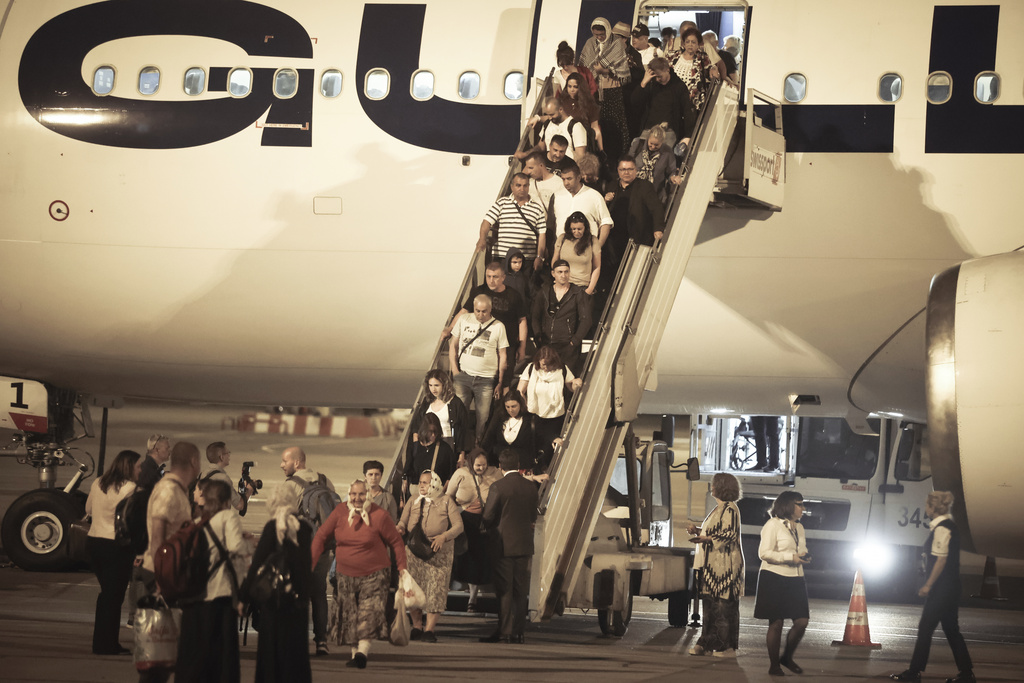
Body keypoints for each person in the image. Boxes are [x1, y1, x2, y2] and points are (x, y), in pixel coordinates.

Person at [311, 480, 408, 669]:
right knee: (350, 616)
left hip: (375, 574)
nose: (357, 499)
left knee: (368, 613)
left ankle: (362, 652)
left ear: (368, 495)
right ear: (349, 494)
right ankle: (355, 655)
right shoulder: (339, 512)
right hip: (345, 574)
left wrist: (402, 569)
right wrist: (310, 565)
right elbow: (321, 536)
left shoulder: (380, 515)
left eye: (361, 495)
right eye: (354, 495)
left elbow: (396, 542)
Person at [890, 492, 974, 683]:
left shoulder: (942, 529)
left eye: (927, 506)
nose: (925, 509)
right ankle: (967, 674)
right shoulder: (947, 526)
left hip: (942, 588)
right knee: (952, 629)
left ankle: (913, 673)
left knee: (925, 627)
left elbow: (941, 560)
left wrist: (928, 585)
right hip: (951, 587)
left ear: (932, 508)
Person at [175, 479, 250, 683]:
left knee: (200, 650)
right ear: (226, 500)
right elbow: (236, 550)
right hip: (220, 591)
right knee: (223, 652)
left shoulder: (200, 520)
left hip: (198, 592)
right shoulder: (228, 517)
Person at [138, 441, 201, 683]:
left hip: (169, 576)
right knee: (157, 660)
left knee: (166, 658)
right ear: (194, 462)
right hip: (163, 579)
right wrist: (161, 583)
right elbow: (157, 536)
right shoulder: (169, 491)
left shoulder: (177, 489)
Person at [265, 446, 336, 656]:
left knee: (298, 593)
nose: (281, 465)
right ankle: (322, 641)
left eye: (284, 461)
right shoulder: (324, 480)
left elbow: (281, 519)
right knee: (319, 593)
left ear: (297, 463)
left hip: (301, 549)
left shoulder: (291, 485)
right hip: (323, 548)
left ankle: (297, 641)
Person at [241, 505, 313, 683]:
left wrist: (244, 597)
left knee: (271, 651)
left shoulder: (272, 528)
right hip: (298, 601)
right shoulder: (304, 528)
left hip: (274, 600)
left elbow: (257, 564)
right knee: (296, 655)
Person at [396, 470, 464, 642]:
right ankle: (417, 626)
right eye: (420, 482)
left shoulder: (446, 500)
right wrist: (400, 528)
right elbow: (403, 521)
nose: (421, 485)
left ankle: (429, 630)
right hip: (414, 553)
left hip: (438, 555)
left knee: (436, 591)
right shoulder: (413, 500)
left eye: (425, 482)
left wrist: (443, 537)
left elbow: (458, 526)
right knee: (414, 590)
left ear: (435, 482)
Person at [85, 449, 141, 655]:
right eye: (138, 466)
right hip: (115, 545)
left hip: (93, 542)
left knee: (107, 593)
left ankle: (103, 641)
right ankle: (106, 644)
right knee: (114, 595)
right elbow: (132, 518)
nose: (141, 470)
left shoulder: (98, 482)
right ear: (129, 467)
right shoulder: (131, 488)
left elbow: (88, 509)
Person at [480, 448, 539, 644]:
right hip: (524, 544)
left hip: (503, 545)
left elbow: (488, 516)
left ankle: (504, 630)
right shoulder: (530, 487)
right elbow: (533, 516)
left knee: (504, 589)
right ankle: (518, 632)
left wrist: (486, 528)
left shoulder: (498, 486)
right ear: (518, 465)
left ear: (500, 466)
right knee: (520, 590)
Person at [686, 472, 744, 657]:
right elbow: (716, 531)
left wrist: (706, 537)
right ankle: (706, 643)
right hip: (712, 567)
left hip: (725, 567)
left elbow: (730, 534)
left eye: (714, 484)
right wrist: (698, 530)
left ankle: (726, 647)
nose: (711, 487)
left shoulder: (730, 509)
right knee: (710, 607)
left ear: (721, 487)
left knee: (723, 608)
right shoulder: (719, 509)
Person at [754, 490, 810, 677]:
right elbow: (764, 553)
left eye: (803, 504)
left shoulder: (799, 527)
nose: (803, 508)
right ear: (787, 505)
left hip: (796, 577)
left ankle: (786, 657)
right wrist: (789, 557)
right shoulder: (772, 525)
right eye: (799, 504)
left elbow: (800, 549)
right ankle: (774, 665)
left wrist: (803, 556)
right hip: (774, 576)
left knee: (802, 621)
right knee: (776, 623)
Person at [446, 263, 528, 374]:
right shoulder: (479, 291)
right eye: (488, 276)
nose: (491, 280)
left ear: (503, 278)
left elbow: (522, 321)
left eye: (495, 277)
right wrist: (450, 328)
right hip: (482, 344)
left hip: (507, 345)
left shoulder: (514, 295)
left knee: (504, 383)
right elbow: (464, 311)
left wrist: (522, 347)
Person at [447, 450, 502, 611]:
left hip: (486, 521)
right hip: (466, 519)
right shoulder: (461, 473)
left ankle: (474, 597)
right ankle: (467, 593)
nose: (481, 468)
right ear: (471, 463)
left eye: (484, 465)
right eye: (478, 465)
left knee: (482, 558)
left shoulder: (494, 473)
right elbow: (448, 495)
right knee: (467, 557)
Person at [450, 293, 509, 442]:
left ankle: (478, 444)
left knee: (482, 417)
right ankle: (459, 445)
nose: (480, 314)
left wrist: (501, 381)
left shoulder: (498, 326)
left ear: (490, 310)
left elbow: (503, 355)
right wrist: (455, 371)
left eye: (484, 311)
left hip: (486, 378)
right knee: (459, 414)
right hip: (464, 374)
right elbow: (453, 346)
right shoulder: (464, 319)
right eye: (477, 310)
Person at [517, 346, 581, 471]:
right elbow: (520, 391)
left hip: (556, 417)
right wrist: (526, 406)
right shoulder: (531, 369)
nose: (545, 367)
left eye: (548, 365)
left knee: (550, 450)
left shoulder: (562, 369)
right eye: (543, 364)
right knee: (537, 448)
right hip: (536, 415)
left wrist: (576, 383)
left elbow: (571, 387)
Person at [579, 17, 632, 165]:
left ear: (607, 31)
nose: (599, 37)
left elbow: (623, 71)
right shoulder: (590, 43)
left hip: (612, 91)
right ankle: (600, 156)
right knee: (599, 124)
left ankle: (617, 157)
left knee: (615, 125)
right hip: (595, 92)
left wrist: (605, 70)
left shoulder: (616, 43)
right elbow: (583, 66)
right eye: (596, 34)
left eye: (601, 34)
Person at [532, 261, 592, 376]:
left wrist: (574, 341)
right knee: (546, 380)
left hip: (568, 347)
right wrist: (538, 335)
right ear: (553, 273)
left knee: (567, 383)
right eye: (560, 272)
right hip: (547, 345)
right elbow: (535, 317)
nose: (563, 275)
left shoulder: (577, 293)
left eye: (566, 272)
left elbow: (586, 320)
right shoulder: (544, 292)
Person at [476, 173, 547, 268]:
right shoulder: (502, 203)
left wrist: (539, 257)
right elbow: (487, 221)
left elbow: (542, 235)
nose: (522, 189)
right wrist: (482, 238)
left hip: (526, 259)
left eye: (525, 185)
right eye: (518, 185)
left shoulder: (537, 208)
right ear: (512, 186)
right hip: (503, 257)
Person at [409, 369, 474, 468]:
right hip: (427, 443)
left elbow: (463, 431)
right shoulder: (427, 402)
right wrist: (416, 448)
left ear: (445, 385)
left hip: (448, 442)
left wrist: (461, 455)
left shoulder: (455, 403)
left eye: (436, 385)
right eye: (430, 385)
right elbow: (416, 426)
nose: (433, 389)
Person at [631, 57, 695, 148]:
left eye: (660, 76)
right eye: (655, 76)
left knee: (662, 155)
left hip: (668, 130)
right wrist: (643, 83)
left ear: (667, 70)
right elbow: (634, 102)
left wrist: (688, 136)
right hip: (649, 129)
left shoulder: (678, 86)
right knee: (638, 154)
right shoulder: (651, 83)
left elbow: (687, 110)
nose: (657, 79)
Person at [551, 161, 614, 250]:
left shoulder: (594, 196)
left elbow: (606, 222)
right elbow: (552, 224)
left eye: (569, 179)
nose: (566, 183)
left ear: (578, 177)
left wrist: (597, 247)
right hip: (562, 249)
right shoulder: (557, 196)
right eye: (563, 179)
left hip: (586, 250)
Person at [604, 157, 665, 247]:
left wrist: (658, 229)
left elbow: (657, 208)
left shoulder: (645, 186)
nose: (626, 172)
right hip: (614, 239)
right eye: (623, 169)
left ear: (636, 169)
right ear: (618, 170)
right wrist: (605, 201)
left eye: (630, 169)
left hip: (637, 237)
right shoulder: (611, 186)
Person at [481, 390, 537, 472]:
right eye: (507, 407)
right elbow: (489, 436)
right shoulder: (499, 417)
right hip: (500, 465)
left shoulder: (529, 419)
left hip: (522, 466)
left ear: (520, 405)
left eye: (514, 406)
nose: (511, 410)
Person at [403, 413, 457, 496]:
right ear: (424, 430)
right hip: (415, 491)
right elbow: (407, 470)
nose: (433, 435)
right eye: (430, 432)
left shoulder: (444, 448)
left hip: (436, 493)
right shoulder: (415, 445)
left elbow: (451, 475)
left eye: (435, 431)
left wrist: (442, 492)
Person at [520, 98, 589, 161]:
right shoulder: (547, 124)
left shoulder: (576, 127)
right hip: (549, 168)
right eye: (548, 115)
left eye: (552, 115)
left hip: (567, 169)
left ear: (561, 110)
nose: (549, 118)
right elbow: (541, 147)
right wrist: (526, 154)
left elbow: (580, 157)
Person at [552, 212, 601, 296]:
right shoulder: (562, 238)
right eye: (573, 229)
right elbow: (555, 262)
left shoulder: (592, 241)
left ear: (585, 228)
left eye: (579, 229)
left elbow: (597, 267)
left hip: (582, 287)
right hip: (564, 285)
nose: (576, 232)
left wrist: (589, 289)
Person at [629, 125, 678, 204]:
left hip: (653, 194)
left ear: (662, 142)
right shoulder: (638, 144)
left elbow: (672, 171)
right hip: (634, 190)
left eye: (656, 145)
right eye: (651, 143)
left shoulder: (667, 152)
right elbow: (627, 163)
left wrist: (673, 178)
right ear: (648, 138)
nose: (652, 147)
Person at [672, 26, 716, 113]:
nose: (690, 44)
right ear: (683, 44)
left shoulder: (703, 57)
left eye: (693, 42)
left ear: (698, 44)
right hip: (673, 101)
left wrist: (714, 68)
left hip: (693, 104)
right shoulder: (673, 56)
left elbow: (711, 69)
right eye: (687, 42)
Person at [200, 441, 253, 512]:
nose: (229, 455)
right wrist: (250, 489)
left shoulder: (202, 474)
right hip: (218, 520)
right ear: (221, 457)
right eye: (227, 453)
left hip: (203, 519)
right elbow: (240, 505)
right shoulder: (223, 479)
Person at [558, 72, 603, 154]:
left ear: (580, 87)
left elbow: (595, 128)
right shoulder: (562, 102)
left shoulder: (589, 103)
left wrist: (601, 150)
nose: (572, 89)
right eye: (569, 86)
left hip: (583, 141)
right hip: (564, 140)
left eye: (575, 87)